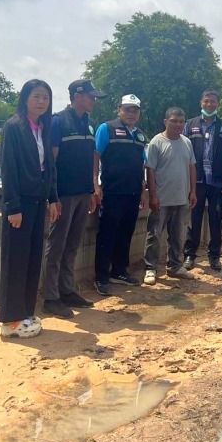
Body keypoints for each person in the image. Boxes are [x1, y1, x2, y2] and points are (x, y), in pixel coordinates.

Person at [0, 79, 59, 338]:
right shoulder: (13, 128)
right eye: (36, 96)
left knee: (33, 259)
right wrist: (12, 207)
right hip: (19, 203)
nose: (41, 102)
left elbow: (49, 167)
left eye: (45, 97)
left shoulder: (44, 128)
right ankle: (9, 321)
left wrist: (53, 198)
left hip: (38, 202)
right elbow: (8, 169)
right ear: (25, 99)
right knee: (16, 260)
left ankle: (24, 312)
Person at [42, 80, 105, 319]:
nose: (94, 101)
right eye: (91, 96)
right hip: (63, 195)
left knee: (72, 245)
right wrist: (53, 196)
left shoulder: (89, 124)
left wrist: (92, 189)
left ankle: (67, 290)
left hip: (82, 194)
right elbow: (51, 162)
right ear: (77, 96)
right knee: (56, 245)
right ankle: (51, 297)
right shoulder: (58, 121)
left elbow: (90, 160)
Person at [94, 94, 148, 294]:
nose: (131, 113)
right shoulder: (106, 128)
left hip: (133, 192)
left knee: (126, 233)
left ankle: (119, 271)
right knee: (107, 233)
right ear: (119, 109)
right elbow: (96, 155)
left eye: (135, 110)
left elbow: (141, 163)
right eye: (127, 109)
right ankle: (101, 277)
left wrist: (143, 190)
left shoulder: (140, 135)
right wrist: (95, 184)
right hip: (112, 190)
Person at [182, 89, 222, 272]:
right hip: (196, 183)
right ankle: (190, 255)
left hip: (218, 183)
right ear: (201, 103)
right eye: (206, 101)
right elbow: (183, 153)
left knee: (215, 220)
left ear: (218, 104)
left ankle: (214, 256)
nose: (209, 104)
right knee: (194, 220)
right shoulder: (190, 125)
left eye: (213, 102)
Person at [144, 107, 198, 285]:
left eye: (181, 121)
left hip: (181, 198)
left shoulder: (186, 142)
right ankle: (150, 268)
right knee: (154, 235)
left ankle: (175, 266)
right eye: (174, 121)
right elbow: (150, 170)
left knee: (177, 235)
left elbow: (192, 167)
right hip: (161, 199)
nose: (178, 124)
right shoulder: (156, 142)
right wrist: (153, 195)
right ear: (165, 121)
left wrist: (193, 192)